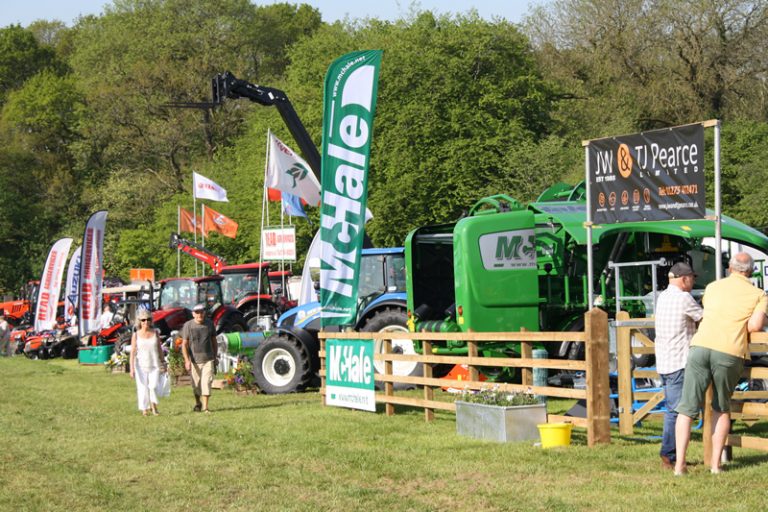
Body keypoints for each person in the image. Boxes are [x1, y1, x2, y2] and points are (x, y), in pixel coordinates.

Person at [674, 252, 767, 475]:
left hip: (700, 346)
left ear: (730, 269)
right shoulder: (759, 294)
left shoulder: (713, 287)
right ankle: (715, 465)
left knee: (686, 409)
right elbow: (754, 326)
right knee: (721, 407)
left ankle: (679, 465)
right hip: (729, 351)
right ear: (751, 271)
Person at [654, 262, 703, 469]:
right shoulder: (684, 298)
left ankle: (670, 453)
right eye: (692, 278)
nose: (693, 282)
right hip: (679, 361)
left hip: (664, 361)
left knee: (671, 409)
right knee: (677, 411)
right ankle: (670, 455)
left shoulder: (662, 296)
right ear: (684, 279)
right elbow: (704, 317)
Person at [129, 309, 166, 416]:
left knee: (153, 386)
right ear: (139, 322)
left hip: (154, 364)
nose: (146, 322)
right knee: (142, 387)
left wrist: (163, 362)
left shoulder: (155, 333)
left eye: (148, 319)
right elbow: (132, 352)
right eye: (143, 320)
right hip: (140, 365)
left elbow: (160, 348)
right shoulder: (136, 335)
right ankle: (145, 409)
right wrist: (131, 368)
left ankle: (153, 406)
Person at [181, 303, 217, 413]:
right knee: (196, 385)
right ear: (193, 314)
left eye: (201, 312)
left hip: (208, 359)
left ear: (204, 313)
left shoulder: (210, 324)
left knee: (206, 382)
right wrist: (187, 360)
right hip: (194, 360)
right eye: (197, 312)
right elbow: (184, 344)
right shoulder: (188, 325)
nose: (199, 314)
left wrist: (215, 357)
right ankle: (198, 403)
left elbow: (214, 342)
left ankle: (205, 407)